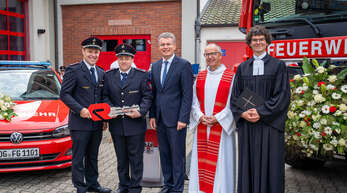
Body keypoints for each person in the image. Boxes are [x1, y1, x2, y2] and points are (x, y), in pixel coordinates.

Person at [230, 25, 291, 193]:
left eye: (261, 40)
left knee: (270, 163)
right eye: (254, 40)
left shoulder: (278, 66)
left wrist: (261, 112)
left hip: (269, 125)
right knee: (248, 163)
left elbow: (282, 95)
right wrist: (243, 113)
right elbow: (235, 96)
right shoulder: (243, 68)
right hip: (248, 126)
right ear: (249, 43)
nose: (258, 42)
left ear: (267, 42)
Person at [60, 37, 111, 193]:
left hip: (96, 123)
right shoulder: (73, 70)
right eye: (90, 51)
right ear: (83, 51)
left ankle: (92, 184)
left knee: (93, 156)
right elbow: (65, 94)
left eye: (96, 52)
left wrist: (104, 118)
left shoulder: (102, 72)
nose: (93, 55)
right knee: (78, 157)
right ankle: (80, 187)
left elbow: (102, 97)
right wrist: (80, 109)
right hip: (79, 123)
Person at [103, 43, 152, 193]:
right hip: (117, 124)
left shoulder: (141, 75)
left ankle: (135, 187)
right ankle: (123, 186)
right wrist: (111, 108)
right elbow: (104, 96)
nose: (124, 61)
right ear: (117, 59)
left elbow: (148, 97)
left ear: (132, 59)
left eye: (127, 58)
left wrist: (141, 111)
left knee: (136, 159)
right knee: (121, 159)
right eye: (121, 58)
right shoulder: (109, 75)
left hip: (135, 125)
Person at [149, 32, 193, 193]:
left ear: (174, 46)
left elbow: (187, 95)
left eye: (168, 44)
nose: (165, 47)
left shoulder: (183, 65)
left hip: (177, 121)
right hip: (160, 119)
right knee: (165, 154)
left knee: (177, 156)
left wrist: (183, 118)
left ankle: (178, 188)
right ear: (159, 47)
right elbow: (153, 94)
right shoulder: (155, 66)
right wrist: (152, 115)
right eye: (162, 44)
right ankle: (167, 185)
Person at [188, 43, 236, 193]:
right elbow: (194, 101)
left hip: (221, 129)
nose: (210, 57)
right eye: (207, 55)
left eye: (213, 54)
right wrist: (200, 116)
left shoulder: (231, 76)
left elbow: (233, 103)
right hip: (203, 126)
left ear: (220, 55)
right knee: (200, 164)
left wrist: (218, 118)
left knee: (222, 164)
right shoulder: (200, 77)